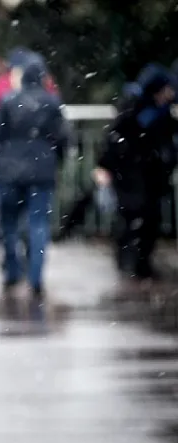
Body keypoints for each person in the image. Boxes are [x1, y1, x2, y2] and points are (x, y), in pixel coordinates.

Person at [0, 59, 69, 302]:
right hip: (41, 172)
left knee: (9, 223)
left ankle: (12, 271)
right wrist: (55, 162)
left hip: (9, 171)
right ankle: (35, 277)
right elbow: (63, 138)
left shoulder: (8, 101)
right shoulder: (52, 103)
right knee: (38, 223)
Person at [94, 63, 178, 281]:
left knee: (149, 220)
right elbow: (114, 139)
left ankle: (141, 264)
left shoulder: (162, 111)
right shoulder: (134, 107)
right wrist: (105, 166)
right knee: (131, 218)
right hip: (130, 174)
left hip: (150, 175)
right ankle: (129, 263)